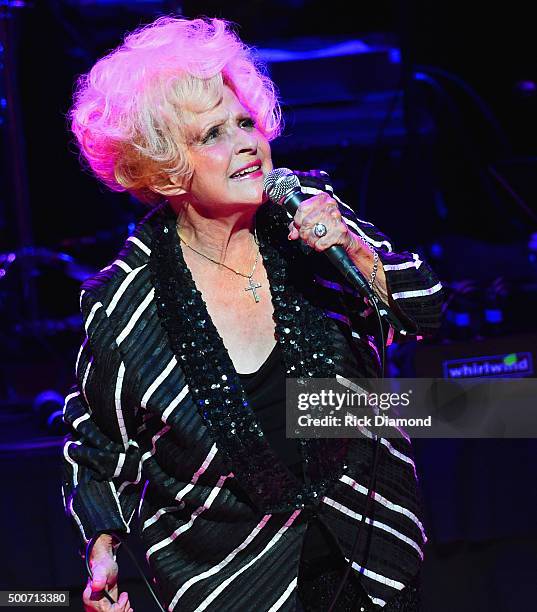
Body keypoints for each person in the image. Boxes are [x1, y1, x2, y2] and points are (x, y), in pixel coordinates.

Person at [61, 15, 444, 612]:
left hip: (372, 560)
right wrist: (103, 546)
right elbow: (100, 442)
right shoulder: (126, 305)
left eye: (245, 122)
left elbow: (426, 310)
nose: (245, 142)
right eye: (211, 134)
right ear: (164, 168)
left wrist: (353, 249)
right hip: (231, 580)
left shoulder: (312, 226)